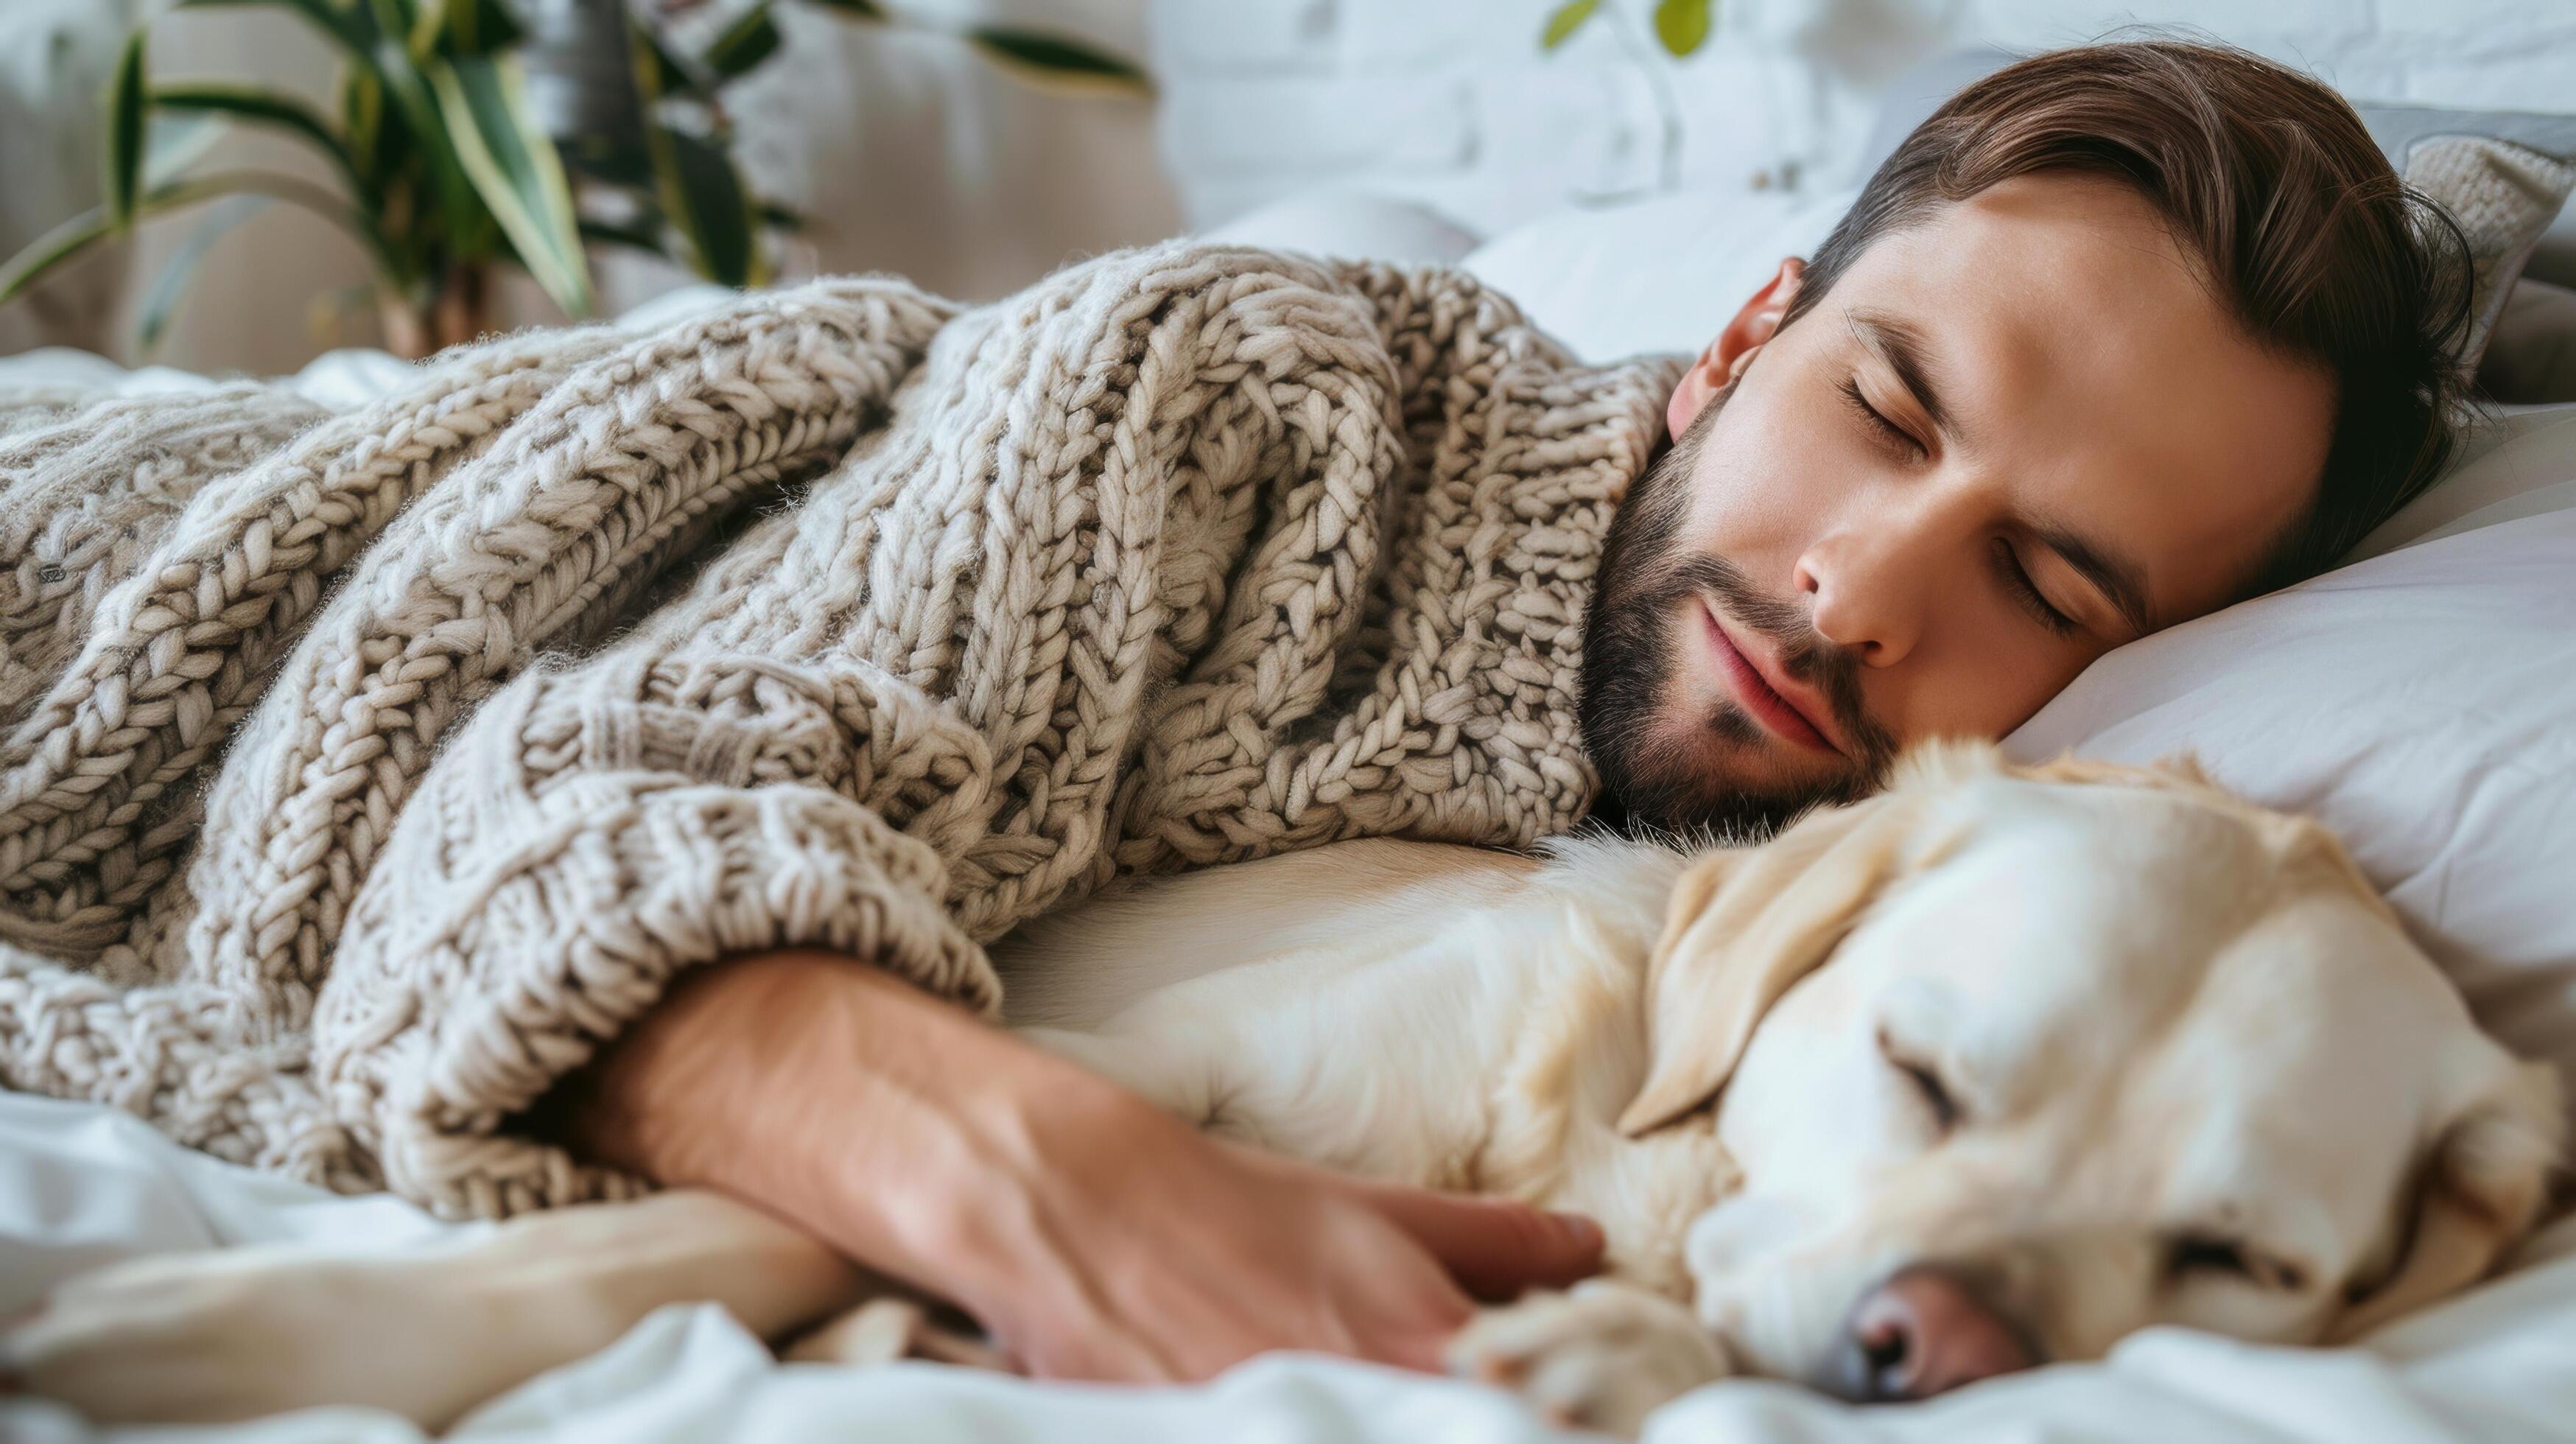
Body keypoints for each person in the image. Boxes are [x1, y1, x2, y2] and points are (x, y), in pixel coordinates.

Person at [538, 40, 2470, 1384]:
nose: (1861, 595)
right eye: (1881, 409)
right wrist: (1040, 1184)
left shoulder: (1843, 932)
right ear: (1732, 342)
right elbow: (560, 822)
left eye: (2046, 587)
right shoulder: (1228, 396)